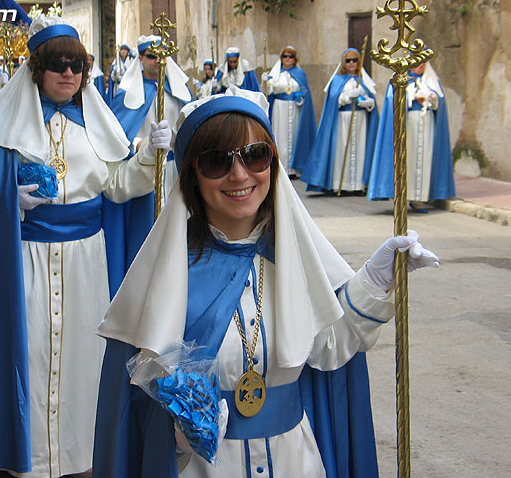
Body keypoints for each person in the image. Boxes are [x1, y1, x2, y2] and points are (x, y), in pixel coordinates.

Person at [93, 86, 440, 477]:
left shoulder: (293, 261)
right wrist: (175, 439)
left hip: (295, 461)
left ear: (272, 164)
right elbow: (134, 414)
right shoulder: (168, 278)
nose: (240, 175)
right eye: (216, 162)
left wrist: (375, 281)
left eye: (255, 156)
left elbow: (328, 349)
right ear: (192, 174)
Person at [0, 15, 170, 477]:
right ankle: (26, 458)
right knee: (27, 357)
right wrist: (6, 198)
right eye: (57, 65)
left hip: (87, 262)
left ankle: (78, 458)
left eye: (76, 66)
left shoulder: (98, 124)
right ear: (37, 69)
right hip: (23, 260)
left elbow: (118, 185)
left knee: (82, 363)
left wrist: (151, 153)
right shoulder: (2, 122)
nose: (67, 74)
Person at [110, 34, 192, 264]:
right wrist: (139, 143)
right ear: (141, 59)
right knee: (147, 230)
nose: (158, 61)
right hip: (144, 168)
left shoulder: (179, 92)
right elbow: (118, 134)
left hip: (175, 168)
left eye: (162, 56)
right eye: (152, 56)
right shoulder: (127, 94)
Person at [368, 60, 455, 211]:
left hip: (426, 124)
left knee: (423, 160)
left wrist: (433, 98)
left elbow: (439, 102)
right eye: (417, 63)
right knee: (407, 159)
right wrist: (412, 98)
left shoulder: (431, 80)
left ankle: (418, 198)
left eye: (423, 64)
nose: (420, 67)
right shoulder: (400, 79)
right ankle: (401, 196)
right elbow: (392, 100)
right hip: (407, 125)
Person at [301, 48, 379, 193]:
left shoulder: (364, 80)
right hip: (343, 120)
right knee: (342, 151)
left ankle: (358, 185)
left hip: (361, 120)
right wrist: (348, 97)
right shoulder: (337, 80)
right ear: (343, 63)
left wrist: (368, 103)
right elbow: (333, 101)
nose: (351, 63)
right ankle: (341, 185)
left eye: (354, 60)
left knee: (360, 151)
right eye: (348, 61)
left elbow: (372, 102)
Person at [262, 45, 316, 177]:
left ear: (295, 59)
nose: (287, 59)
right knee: (280, 135)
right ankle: (282, 167)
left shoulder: (300, 73)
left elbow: (305, 92)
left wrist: (301, 98)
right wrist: (265, 82)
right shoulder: (275, 74)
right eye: (285, 56)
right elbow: (268, 92)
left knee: (295, 135)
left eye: (290, 56)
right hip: (280, 107)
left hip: (295, 108)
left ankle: (294, 168)